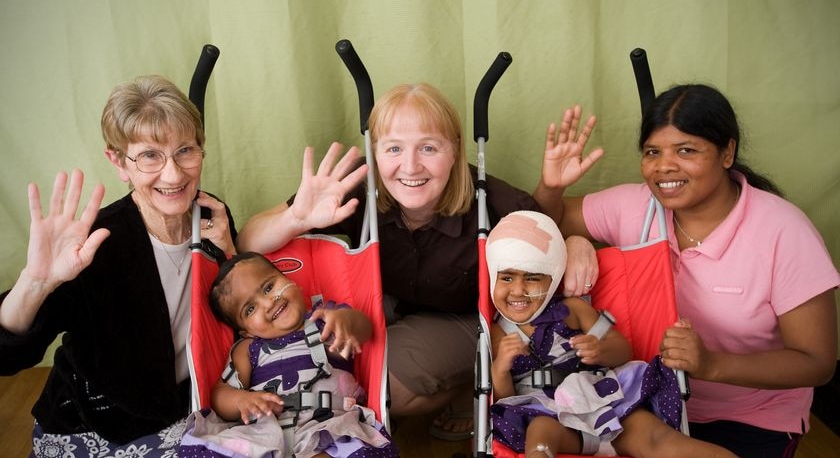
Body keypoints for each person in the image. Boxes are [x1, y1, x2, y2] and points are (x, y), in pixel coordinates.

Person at [236, 83, 599, 440]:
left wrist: (575, 240)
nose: (410, 166)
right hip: (392, 302)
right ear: (374, 152)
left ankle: (464, 391)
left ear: (455, 150)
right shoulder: (358, 184)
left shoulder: (489, 198)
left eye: (428, 147)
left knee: (381, 379)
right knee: (332, 348)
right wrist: (295, 219)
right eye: (393, 148)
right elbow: (248, 240)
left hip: (466, 316)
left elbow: (542, 232)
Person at [535, 83, 839, 457]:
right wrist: (565, 221)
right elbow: (544, 223)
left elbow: (817, 362)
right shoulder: (638, 205)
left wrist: (713, 365)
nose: (664, 166)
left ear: (727, 152)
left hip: (749, 417)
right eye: (652, 152)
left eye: (686, 150)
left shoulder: (783, 231)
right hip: (643, 402)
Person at [0, 76, 237, 455]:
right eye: (149, 156)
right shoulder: (94, 243)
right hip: (94, 425)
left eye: (185, 151)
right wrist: (36, 283)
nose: (173, 175)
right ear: (118, 161)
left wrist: (230, 250)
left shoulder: (210, 217)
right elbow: (7, 355)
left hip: (181, 410)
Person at [487, 210, 736, 457]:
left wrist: (600, 350)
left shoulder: (573, 309)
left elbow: (622, 350)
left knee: (657, 439)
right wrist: (500, 367)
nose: (518, 290)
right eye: (506, 278)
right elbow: (505, 399)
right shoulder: (498, 334)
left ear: (552, 280)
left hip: (606, 403)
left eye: (532, 278)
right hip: (549, 415)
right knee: (539, 436)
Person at [180, 252, 398, 457]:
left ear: (290, 281)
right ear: (246, 331)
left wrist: (347, 321)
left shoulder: (325, 320)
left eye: (268, 287)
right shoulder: (247, 349)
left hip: (330, 425)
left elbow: (365, 330)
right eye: (249, 309)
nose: (268, 303)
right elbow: (220, 394)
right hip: (266, 435)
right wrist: (241, 400)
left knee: (352, 448)